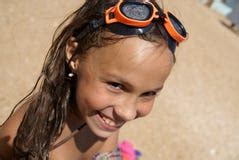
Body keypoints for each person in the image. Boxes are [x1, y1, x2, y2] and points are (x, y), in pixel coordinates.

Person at [0, 0, 187, 159]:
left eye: (148, 93)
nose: (128, 113)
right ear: (74, 53)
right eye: (116, 85)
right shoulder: (25, 132)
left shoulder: (105, 118)